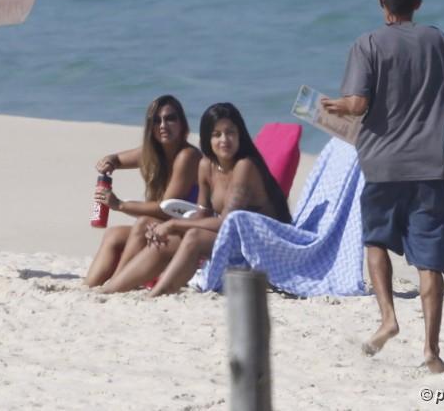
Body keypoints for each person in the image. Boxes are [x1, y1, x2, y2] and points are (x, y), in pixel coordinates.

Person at [322, 0, 444, 374]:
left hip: (382, 165)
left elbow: (356, 104)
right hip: (429, 167)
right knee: (430, 261)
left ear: (381, 3)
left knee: (375, 243)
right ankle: (431, 351)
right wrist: (428, 103)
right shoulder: (439, 41)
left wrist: (333, 106)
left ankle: (388, 317)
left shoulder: (367, 43)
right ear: (417, 5)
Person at [98, 102, 290, 295]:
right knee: (166, 239)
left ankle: (158, 292)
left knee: (193, 236)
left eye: (230, 132)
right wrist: (164, 228)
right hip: (231, 240)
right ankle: (112, 289)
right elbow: (202, 213)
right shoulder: (206, 165)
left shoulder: (245, 166)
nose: (224, 140)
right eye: (217, 134)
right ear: (207, 138)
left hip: (260, 245)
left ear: (240, 134)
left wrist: (173, 224)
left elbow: (227, 223)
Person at [83, 95, 201, 287]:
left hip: (187, 233)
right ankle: (89, 287)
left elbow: (166, 208)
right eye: (156, 121)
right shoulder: (154, 152)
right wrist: (109, 161)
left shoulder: (188, 156)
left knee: (143, 222)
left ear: (182, 123)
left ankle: (117, 283)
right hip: (163, 228)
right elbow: (118, 159)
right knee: (114, 235)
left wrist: (120, 205)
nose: (163, 125)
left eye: (170, 118)